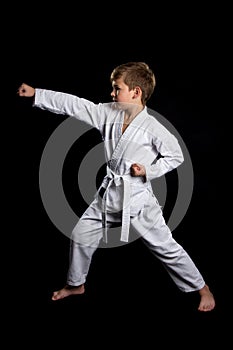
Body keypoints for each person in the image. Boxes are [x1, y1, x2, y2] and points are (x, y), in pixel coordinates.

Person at [17, 62, 215, 312]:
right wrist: (38, 94)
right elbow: (76, 105)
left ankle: (202, 288)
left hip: (139, 202)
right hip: (108, 196)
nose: (112, 93)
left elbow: (176, 156)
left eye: (116, 88)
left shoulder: (154, 128)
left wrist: (149, 171)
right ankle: (76, 285)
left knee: (166, 248)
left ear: (136, 92)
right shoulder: (108, 113)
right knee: (81, 235)